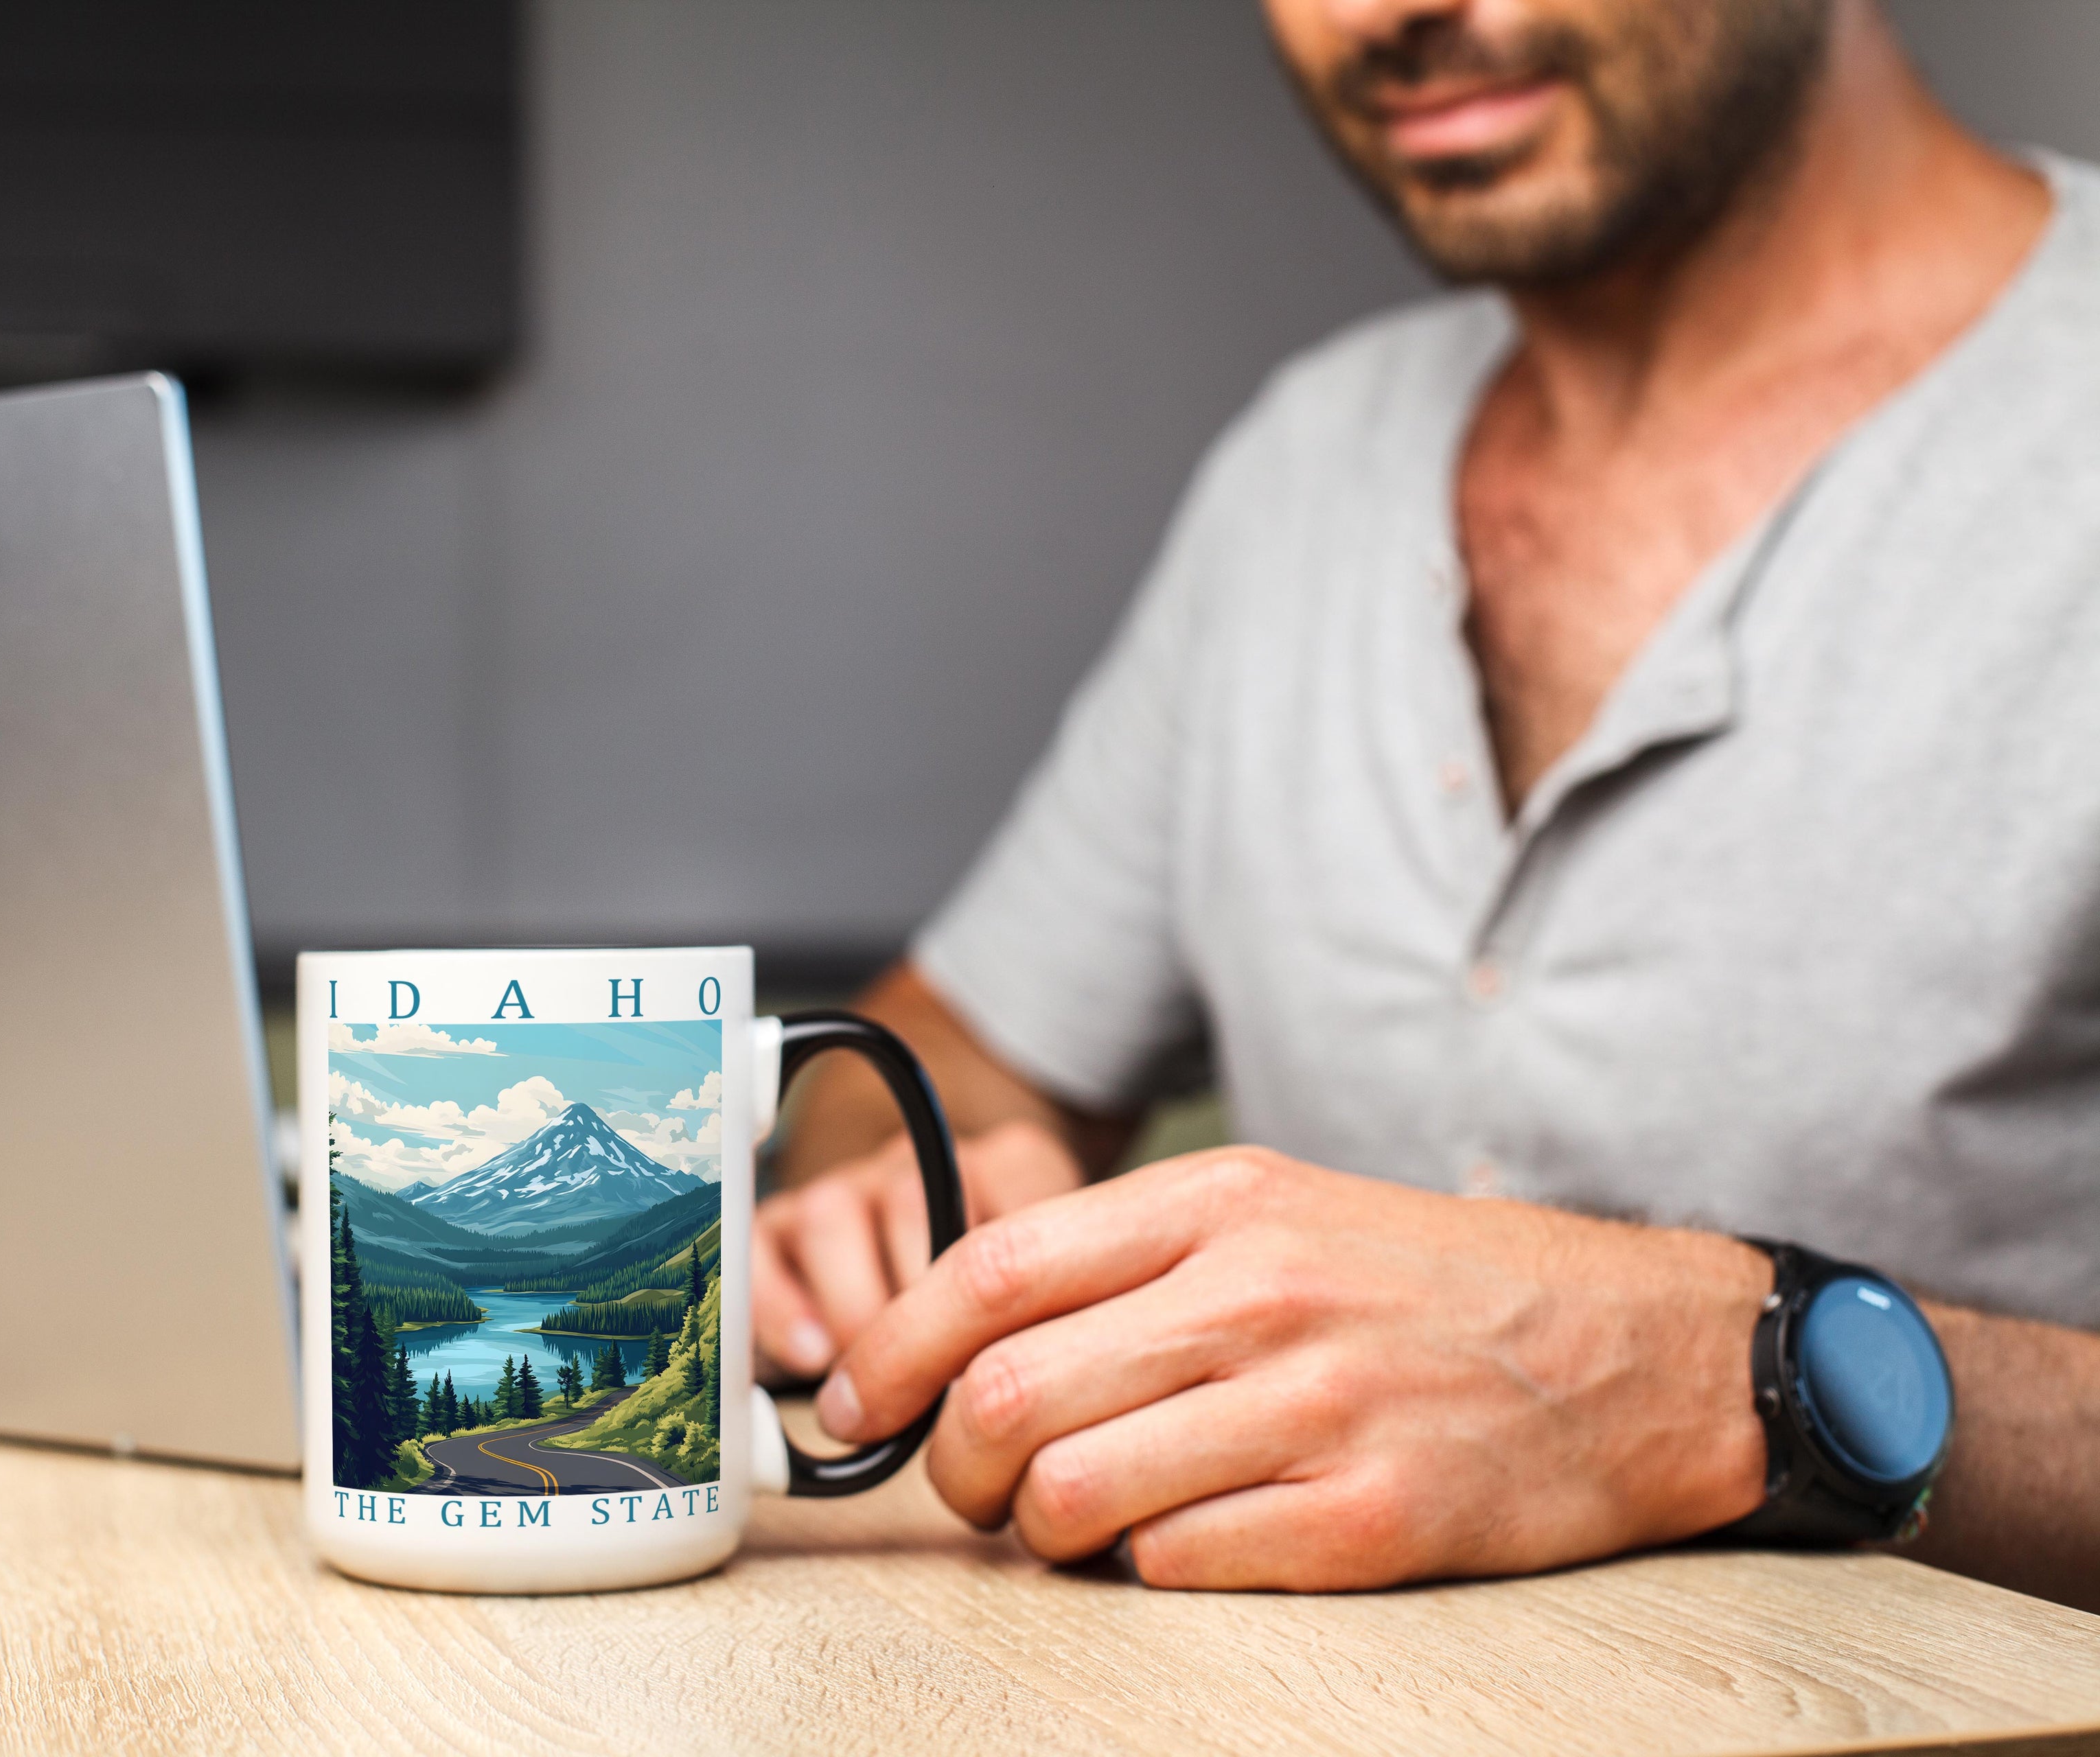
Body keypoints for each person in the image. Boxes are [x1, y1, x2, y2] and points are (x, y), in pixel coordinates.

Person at [752, 0, 2100, 1610]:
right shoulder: (1303, 468)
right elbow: (951, 1047)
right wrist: (909, 1186)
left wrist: (1715, 1377)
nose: (1389, 12)